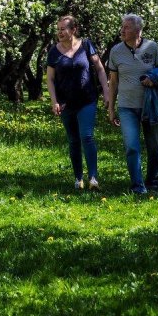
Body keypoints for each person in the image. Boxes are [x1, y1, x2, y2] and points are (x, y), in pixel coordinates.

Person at [46, 15, 110, 190]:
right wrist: (54, 101)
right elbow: (50, 79)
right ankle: (78, 178)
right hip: (66, 102)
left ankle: (93, 178)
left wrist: (106, 92)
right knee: (73, 140)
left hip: (87, 99)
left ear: (73, 30)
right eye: (58, 29)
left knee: (87, 136)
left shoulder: (86, 45)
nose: (59, 32)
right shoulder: (54, 51)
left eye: (63, 29)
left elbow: (99, 69)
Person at [107, 14, 158, 195]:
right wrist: (111, 108)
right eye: (122, 27)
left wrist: (154, 78)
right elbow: (113, 82)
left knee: (154, 146)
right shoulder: (116, 51)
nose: (122, 30)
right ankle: (138, 186)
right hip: (126, 106)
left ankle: (153, 182)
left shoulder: (152, 47)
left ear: (138, 31)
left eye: (127, 28)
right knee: (131, 146)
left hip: (150, 105)